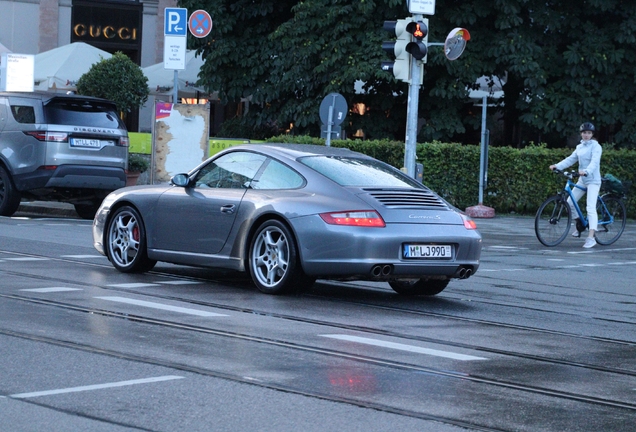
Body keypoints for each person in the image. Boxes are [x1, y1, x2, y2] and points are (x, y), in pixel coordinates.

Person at [549, 122, 603, 248]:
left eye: (589, 133)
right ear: (581, 133)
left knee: (590, 207)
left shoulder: (596, 147)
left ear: (592, 134)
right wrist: (557, 166)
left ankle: (591, 237)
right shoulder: (580, 147)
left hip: (593, 180)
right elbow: (570, 159)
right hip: (582, 180)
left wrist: (587, 171)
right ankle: (580, 224)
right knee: (569, 203)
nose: (586, 135)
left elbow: (594, 162)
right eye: (584, 132)